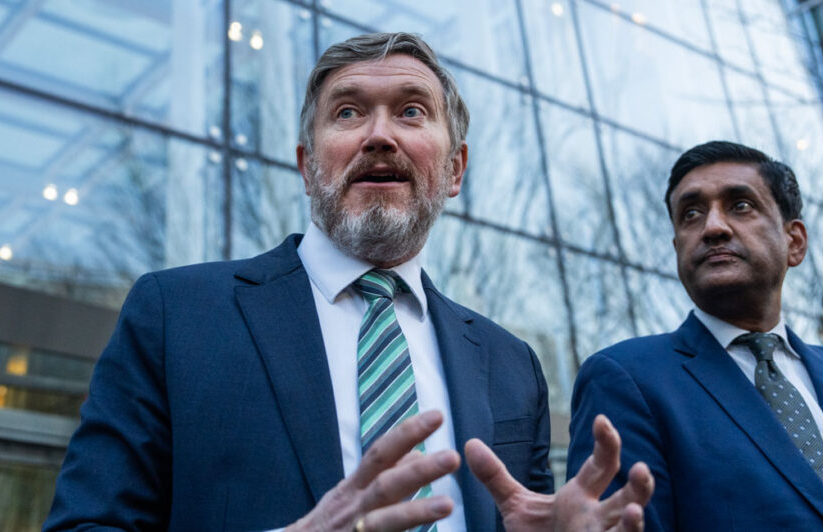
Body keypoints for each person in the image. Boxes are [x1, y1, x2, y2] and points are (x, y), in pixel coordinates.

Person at [44, 32, 652, 531]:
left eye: (411, 111)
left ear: (456, 168)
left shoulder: (510, 363)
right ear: (308, 167)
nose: (379, 135)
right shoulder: (176, 315)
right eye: (348, 112)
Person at [567, 140, 823, 531]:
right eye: (691, 214)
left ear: (794, 242)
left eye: (740, 205)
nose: (713, 227)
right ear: (677, 247)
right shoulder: (626, 381)